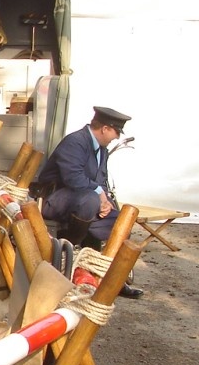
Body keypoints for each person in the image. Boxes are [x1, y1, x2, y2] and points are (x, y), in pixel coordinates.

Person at [36, 105, 143, 298]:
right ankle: (72, 253)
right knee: (90, 200)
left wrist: (106, 202)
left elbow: (101, 181)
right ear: (105, 129)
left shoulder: (102, 149)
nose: (117, 137)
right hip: (56, 199)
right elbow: (73, 177)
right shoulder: (75, 142)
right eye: (116, 132)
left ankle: (114, 280)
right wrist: (99, 194)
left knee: (120, 223)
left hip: (84, 203)